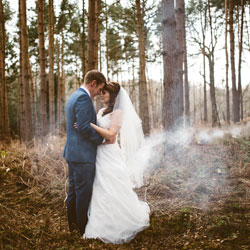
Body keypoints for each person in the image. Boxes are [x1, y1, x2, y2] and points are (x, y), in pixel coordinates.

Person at [78, 82, 150, 244]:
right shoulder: (102, 111)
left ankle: (118, 223)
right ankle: (100, 223)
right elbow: (95, 130)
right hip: (97, 154)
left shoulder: (118, 113)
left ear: (114, 96)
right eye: (101, 92)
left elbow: (111, 135)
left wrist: (90, 126)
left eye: (105, 93)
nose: (101, 95)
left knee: (111, 186)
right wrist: (82, 126)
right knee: (99, 187)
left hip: (110, 155)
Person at [63, 70, 107, 236]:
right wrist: (102, 140)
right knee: (83, 192)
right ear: (93, 83)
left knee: (74, 191)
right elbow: (83, 127)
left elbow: (80, 125)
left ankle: (73, 227)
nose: (98, 93)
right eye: (99, 88)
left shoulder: (74, 95)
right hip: (82, 155)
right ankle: (83, 230)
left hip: (73, 153)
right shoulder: (83, 98)